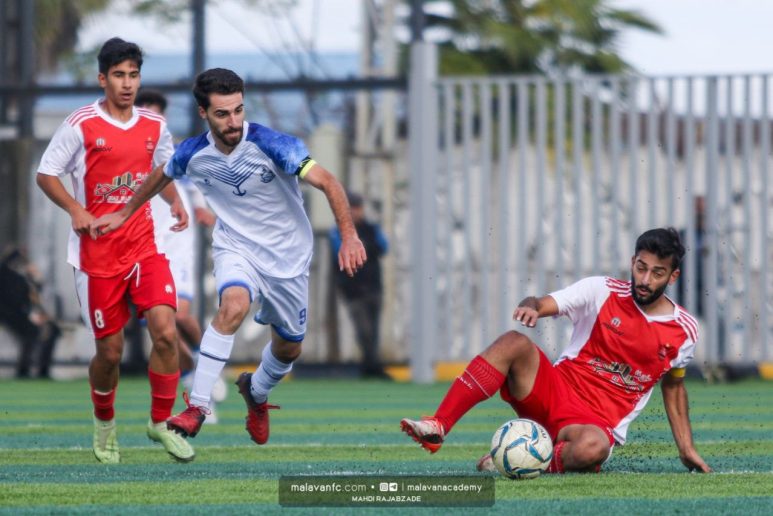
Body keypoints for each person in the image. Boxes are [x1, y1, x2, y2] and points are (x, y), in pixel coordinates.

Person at [90, 67, 366, 446]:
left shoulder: (274, 144)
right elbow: (162, 174)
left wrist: (348, 236)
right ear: (204, 113)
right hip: (236, 246)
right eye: (223, 113)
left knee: (289, 347)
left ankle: (256, 391)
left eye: (238, 110)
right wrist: (125, 211)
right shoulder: (193, 152)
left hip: (288, 257)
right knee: (232, 307)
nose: (233, 121)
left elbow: (329, 182)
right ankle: (198, 406)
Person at [401, 228, 712, 474]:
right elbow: (546, 302)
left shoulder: (684, 331)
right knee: (514, 341)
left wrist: (686, 449)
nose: (644, 280)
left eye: (657, 273)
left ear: (673, 277)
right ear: (633, 262)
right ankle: (438, 425)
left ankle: (509, 461)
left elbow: (674, 387)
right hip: (555, 391)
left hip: (593, 426)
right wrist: (532, 305)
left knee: (594, 448)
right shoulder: (601, 290)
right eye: (641, 268)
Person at [35, 37, 195, 464]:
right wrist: (76, 210)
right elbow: (46, 174)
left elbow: (163, 168)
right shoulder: (80, 124)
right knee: (110, 353)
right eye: (119, 76)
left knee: (166, 329)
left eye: (134, 75)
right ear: (102, 79)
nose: (127, 84)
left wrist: (174, 199)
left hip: (143, 245)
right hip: (97, 256)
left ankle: (160, 422)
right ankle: (105, 422)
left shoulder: (154, 125)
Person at [134, 89, 225, 421]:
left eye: (157, 113)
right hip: (142, 248)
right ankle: (197, 379)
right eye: (146, 112)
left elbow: (192, 184)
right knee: (164, 332)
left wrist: (201, 209)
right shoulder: (127, 149)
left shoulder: (171, 150)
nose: (152, 119)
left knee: (181, 316)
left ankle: (208, 363)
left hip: (176, 244)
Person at [328, 191, 390, 378]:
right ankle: (372, 367)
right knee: (364, 330)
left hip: (373, 287)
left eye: (357, 208)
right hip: (353, 290)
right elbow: (339, 250)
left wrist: (362, 246)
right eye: (351, 208)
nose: (355, 212)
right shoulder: (337, 231)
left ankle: (370, 366)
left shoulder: (372, 228)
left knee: (373, 329)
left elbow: (384, 247)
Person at [0, 246, 61, 379]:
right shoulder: (5, 274)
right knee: (31, 331)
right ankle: (23, 370)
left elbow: (35, 297)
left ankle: (43, 369)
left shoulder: (25, 276)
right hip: (11, 314)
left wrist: (36, 279)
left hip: (27, 313)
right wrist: (30, 315)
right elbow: (13, 301)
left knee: (53, 329)